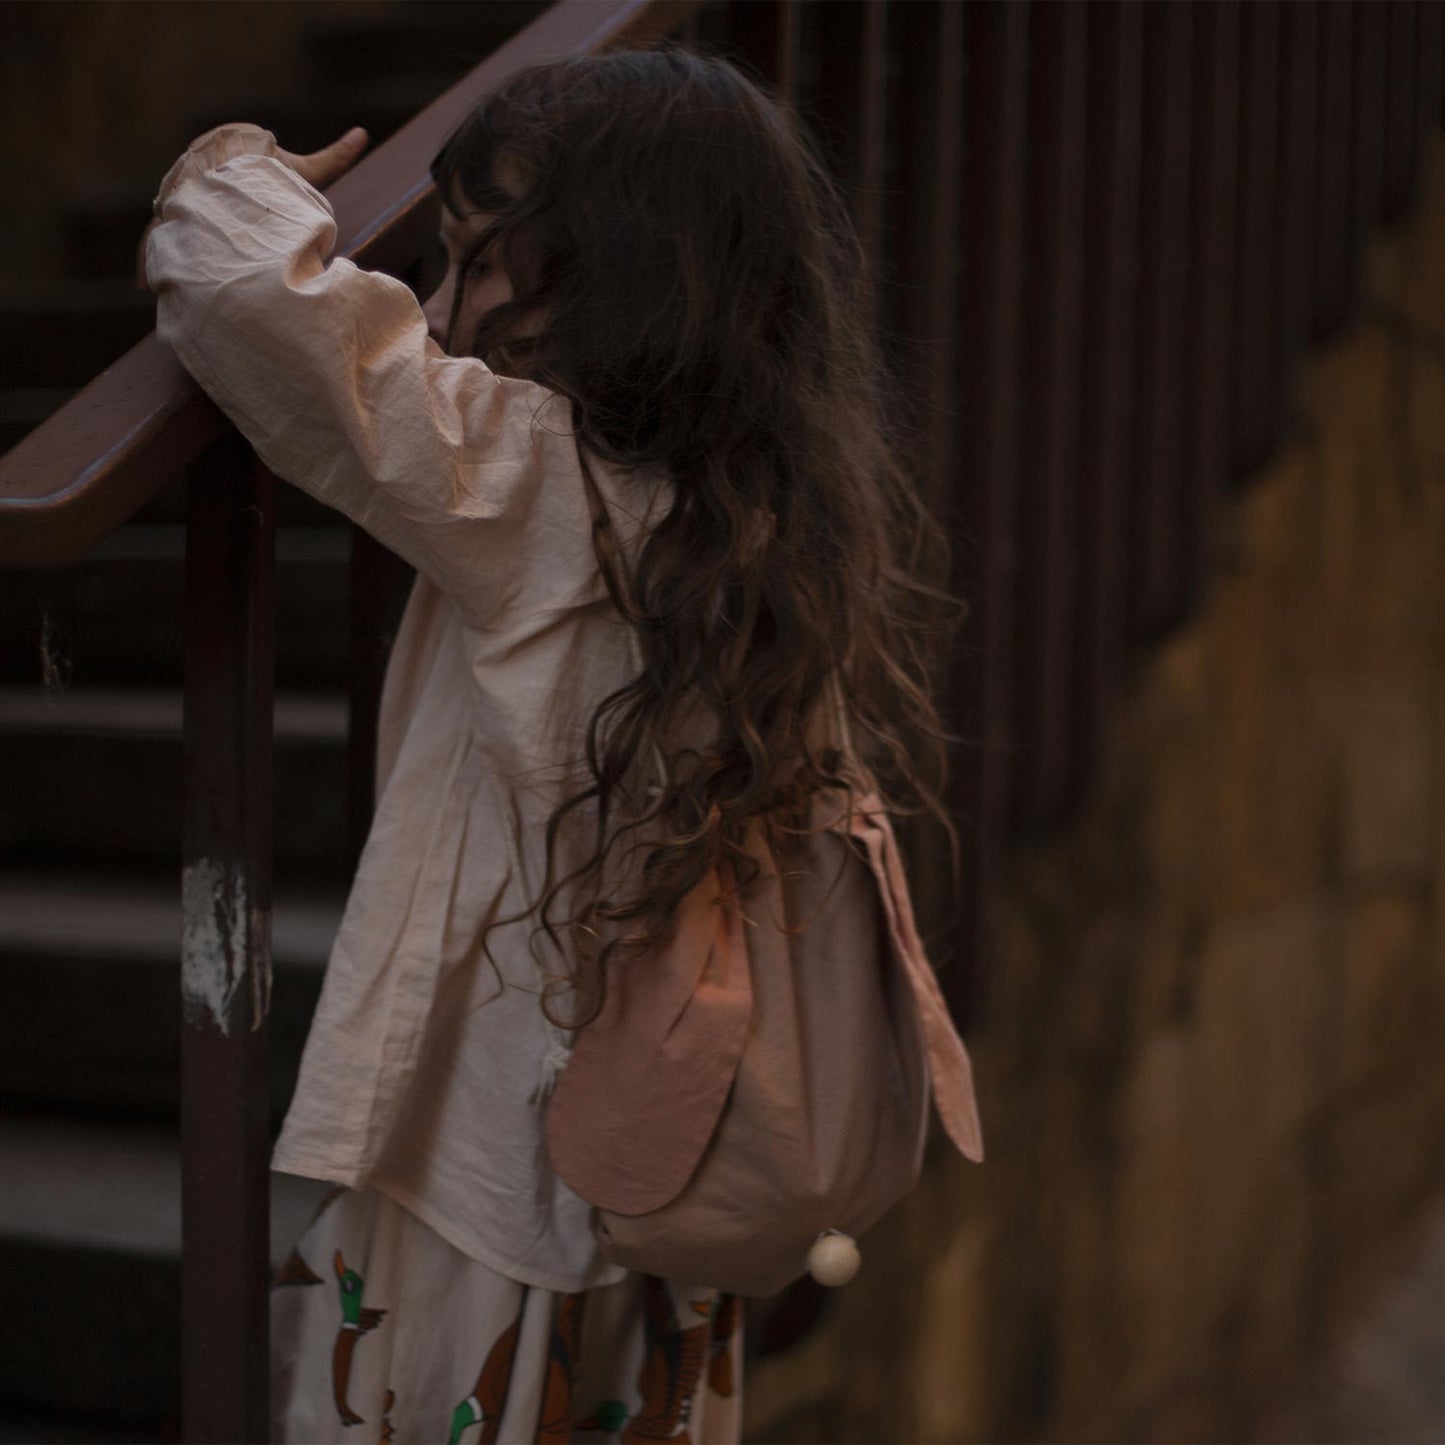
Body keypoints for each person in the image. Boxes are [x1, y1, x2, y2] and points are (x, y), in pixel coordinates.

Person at [145, 45, 982, 1445]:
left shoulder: (537, 480)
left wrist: (245, 173)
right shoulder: (767, 519)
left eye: (483, 259)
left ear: (621, 276)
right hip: (664, 1160)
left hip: (489, 1174)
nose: (440, 303)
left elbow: (237, 285)